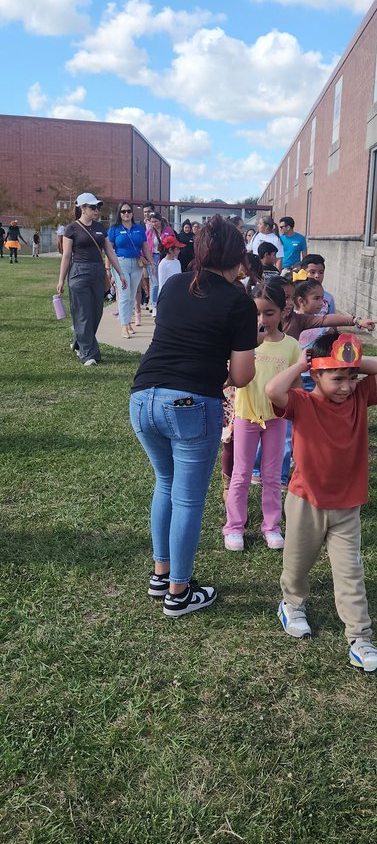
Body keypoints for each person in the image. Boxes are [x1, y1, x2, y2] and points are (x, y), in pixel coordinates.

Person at [129, 215, 257, 618]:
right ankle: (179, 592)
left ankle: (160, 573)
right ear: (237, 257)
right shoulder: (238, 301)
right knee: (187, 498)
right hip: (188, 404)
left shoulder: (171, 284)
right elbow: (241, 375)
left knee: (164, 483)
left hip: (141, 397)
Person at [265, 332, 377, 671]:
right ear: (316, 374)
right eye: (337, 378)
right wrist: (302, 364)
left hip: (347, 506)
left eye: (352, 377)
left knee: (350, 572)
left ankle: (361, 639)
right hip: (305, 500)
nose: (347, 386)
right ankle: (292, 604)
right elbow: (272, 391)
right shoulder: (302, 402)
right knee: (297, 564)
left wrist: (348, 361)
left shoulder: (360, 398)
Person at [223, 280, 301, 552]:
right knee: (241, 473)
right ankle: (234, 527)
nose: (262, 319)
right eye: (256, 313)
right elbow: (230, 377)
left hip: (277, 420)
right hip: (246, 417)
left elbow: (296, 385)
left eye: (269, 313)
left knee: (272, 476)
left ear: (283, 311)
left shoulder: (291, 346)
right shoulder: (242, 343)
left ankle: (272, 527)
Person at [56, 193, 128, 366]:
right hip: (79, 272)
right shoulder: (71, 229)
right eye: (93, 207)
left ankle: (79, 341)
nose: (97, 210)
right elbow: (66, 256)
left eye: (98, 207)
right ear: (82, 208)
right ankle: (88, 354)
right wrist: (60, 280)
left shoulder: (100, 228)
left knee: (96, 312)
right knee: (83, 313)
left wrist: (120, 273)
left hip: (97, 271)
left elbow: (109, 251)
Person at [107, 203, 154, 339]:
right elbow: (109, 250)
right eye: (123, 211)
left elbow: (145, 248)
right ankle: (124, 326)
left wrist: (152, 263)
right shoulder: (114, 229)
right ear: (119, 214)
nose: (126, 213)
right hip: (121, 263)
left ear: (132, 213)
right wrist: (108, 268)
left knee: (132, 296)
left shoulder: (139, 229)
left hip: (137, 264)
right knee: (124, 295)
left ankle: (128, 323)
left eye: (128, 211)